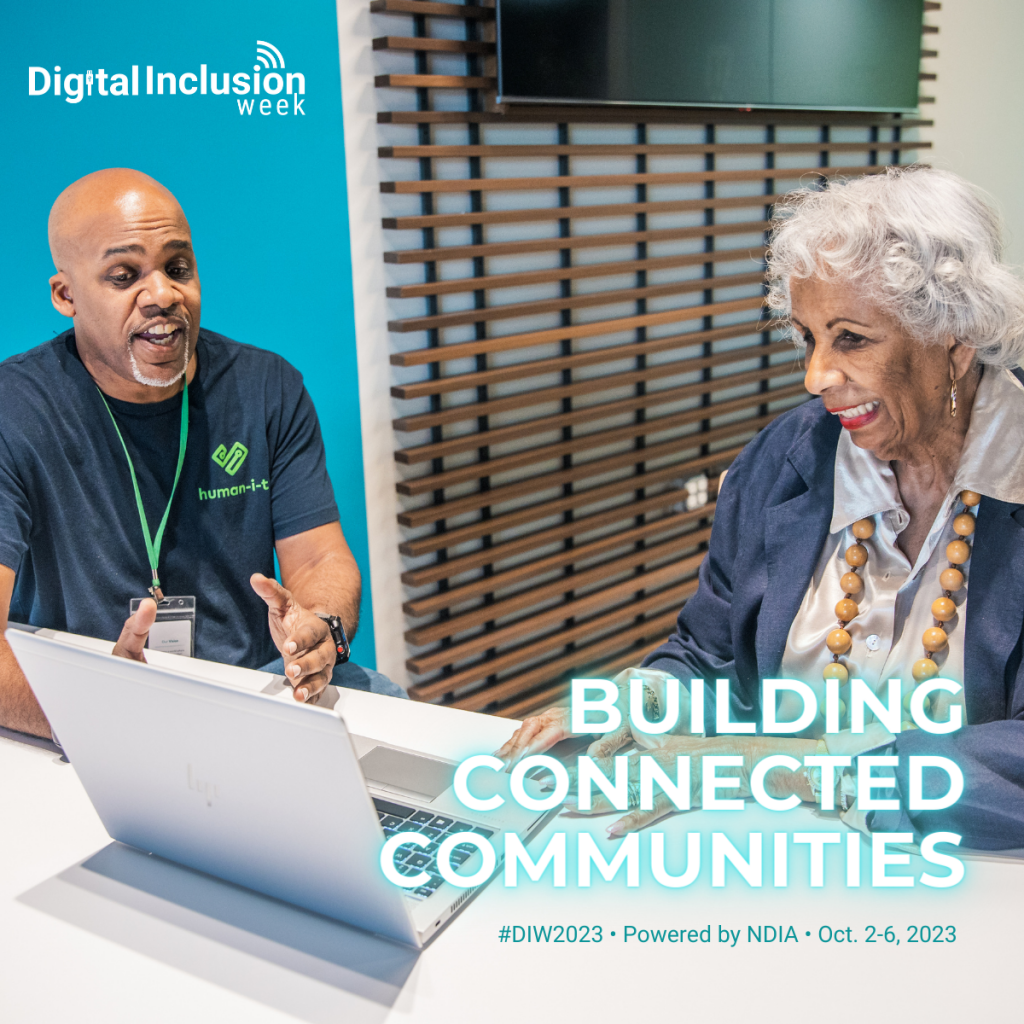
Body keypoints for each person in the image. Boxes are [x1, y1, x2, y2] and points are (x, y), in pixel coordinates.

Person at [497, 166, 1024, 851]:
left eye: (852, 339)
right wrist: (649, 698)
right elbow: (711, 651)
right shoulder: (781, 463)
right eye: (808, 337)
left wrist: (799, 771)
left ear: (953, 340)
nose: (816, 378)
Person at [0, 168, 404, 740]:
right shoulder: (13, 411)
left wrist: (318, 628)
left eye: (177, 268)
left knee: (393, 711)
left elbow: (318, 561)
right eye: (124, 275)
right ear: (66, 295)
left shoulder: (268, 387)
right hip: (91, 703)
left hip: (254, 689)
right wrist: (107, 708)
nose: (162, 295)